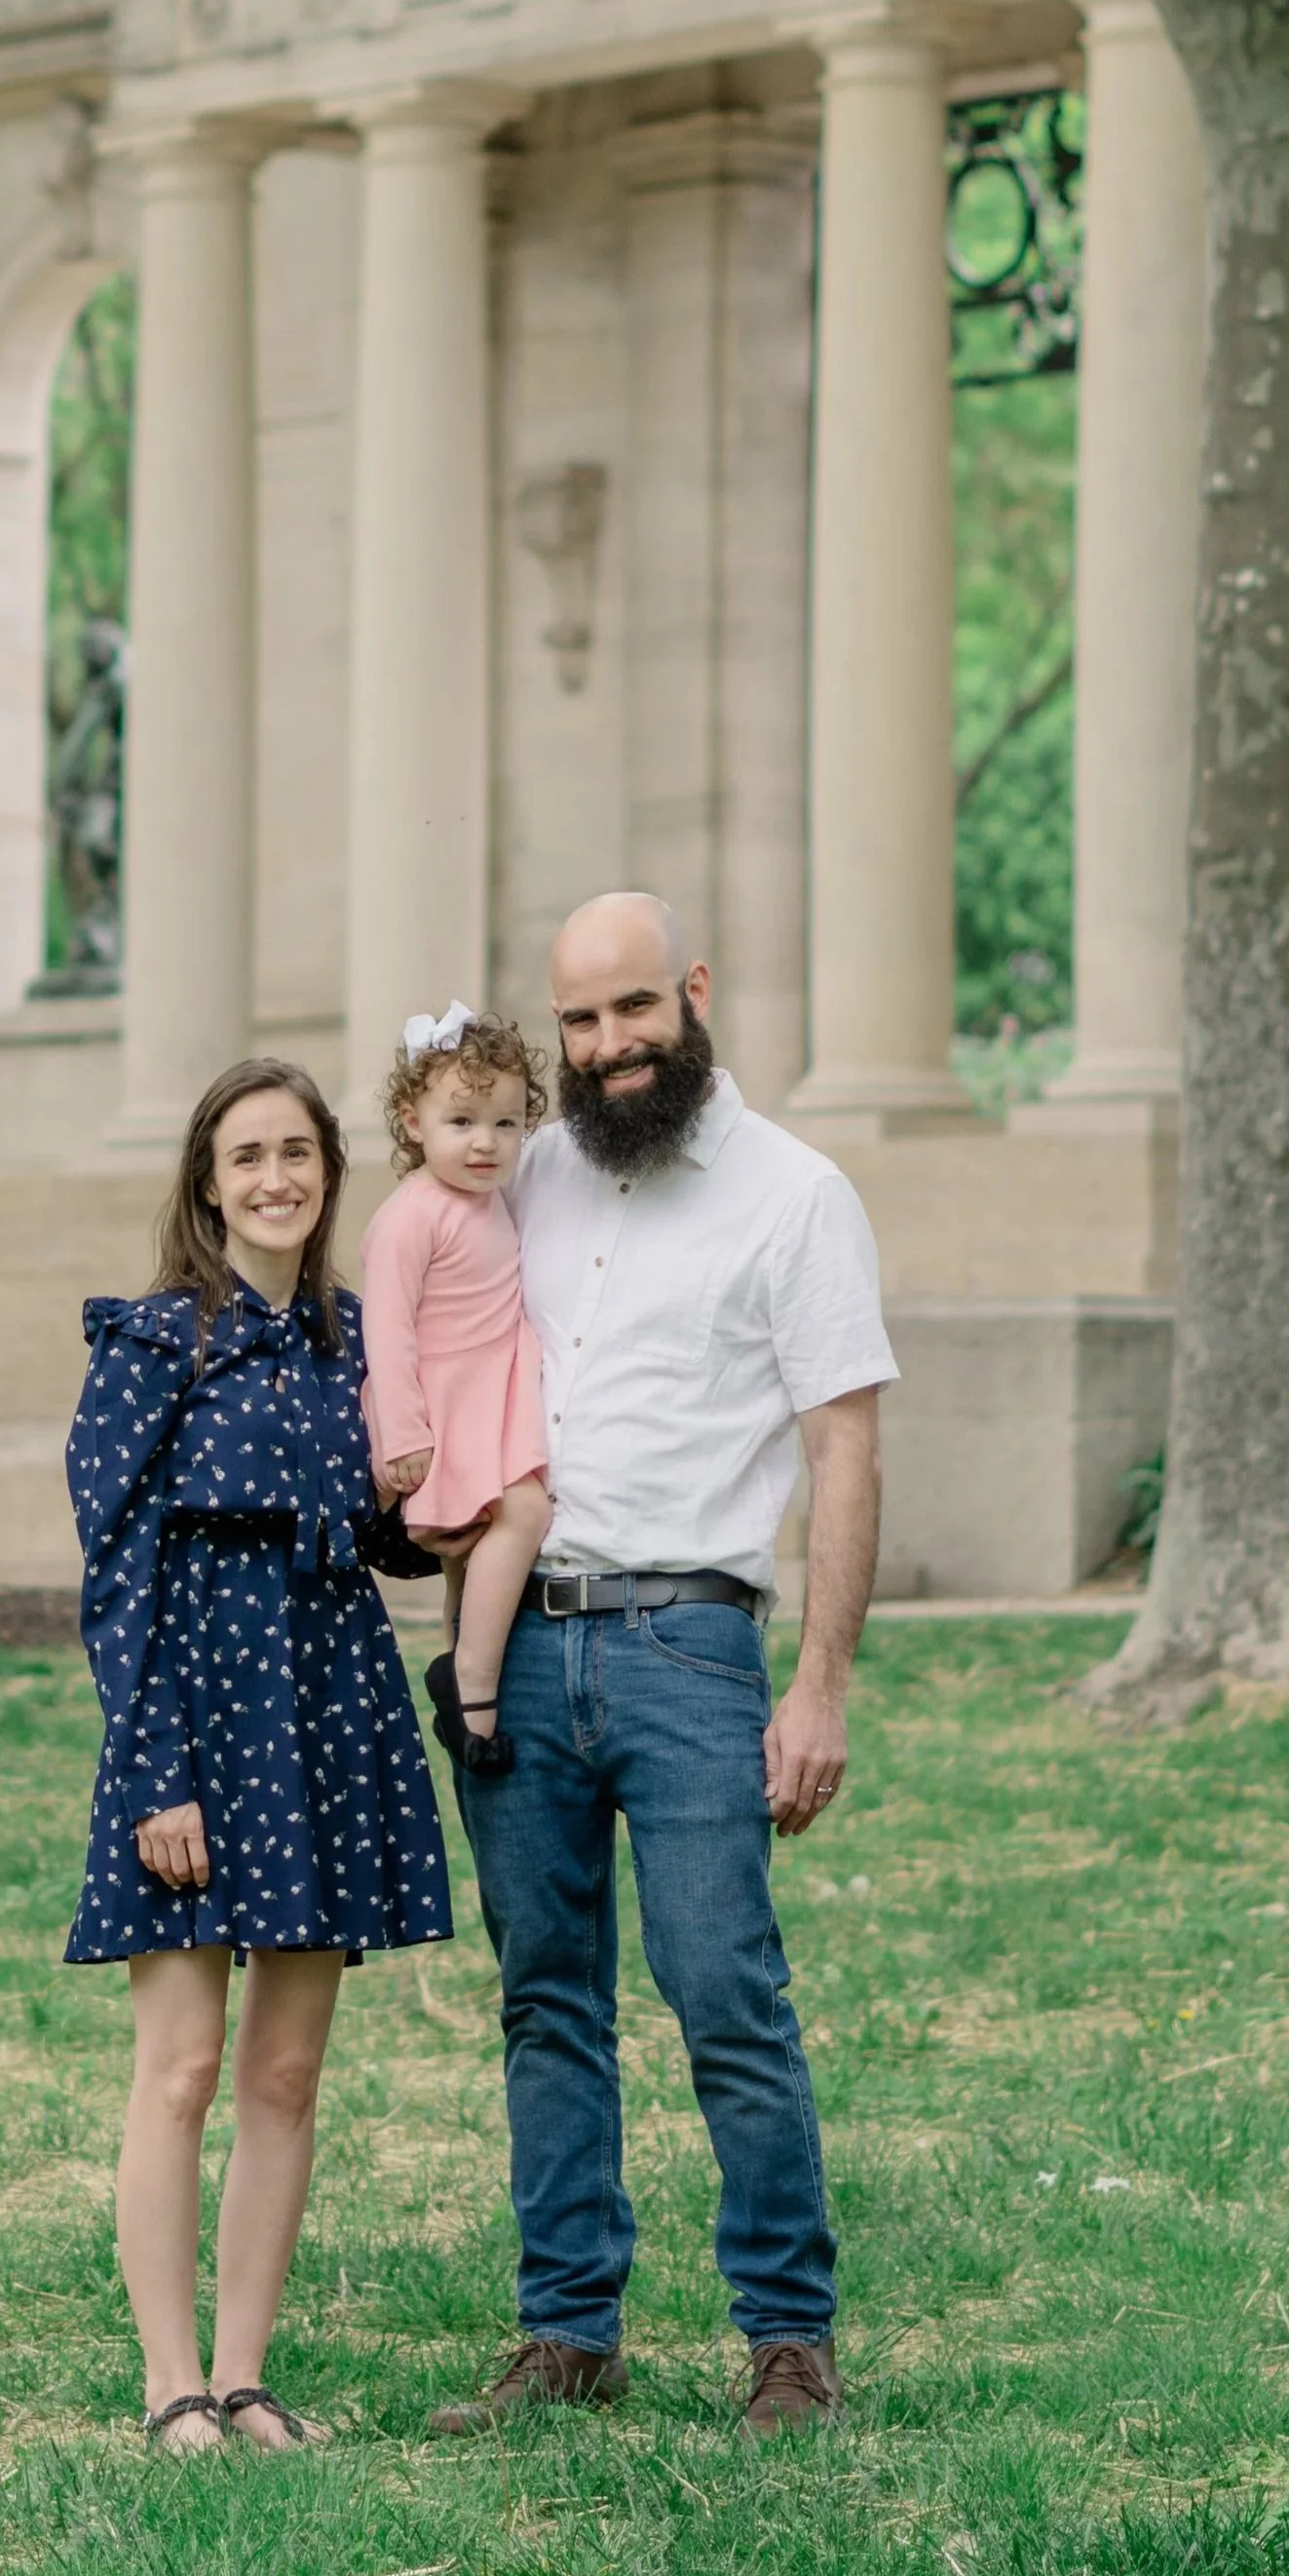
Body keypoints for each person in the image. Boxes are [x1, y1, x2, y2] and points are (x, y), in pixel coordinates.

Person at [430, 891, 897, 2445]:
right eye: (578, 1021)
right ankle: (571, 2329)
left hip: (693, 1647)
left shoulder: (796, 1194)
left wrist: (819, 1682)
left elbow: (845, 1446)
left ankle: (787, 2339)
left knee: (726, 1999)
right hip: (522, 1644)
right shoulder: (534, 1174)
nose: (609, 1047)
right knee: (543, 2001)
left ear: (693, 994)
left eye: (633, 1009)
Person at [65, 1057, 454, 2454]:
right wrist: (156, 1765)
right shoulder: (156, 1341)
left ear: (329, 1174)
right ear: (208, 1184)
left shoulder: (361, 1341)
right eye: (249, 1157)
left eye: (299, 1153)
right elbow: (116, 1569)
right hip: (196, 1719)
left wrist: (426, 1507)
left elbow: (379, 1534)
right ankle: (170, 2382)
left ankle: (244, 2372)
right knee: (180, 2066)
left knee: (285, 2074)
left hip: (328, 1710)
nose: (277, 1178)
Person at [360, 1002, 552, 1769]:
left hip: (491, 1386)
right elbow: (388, 1327)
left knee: (472, 1558)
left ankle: (461, 1686)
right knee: (524, 1510)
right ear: (413, 1121)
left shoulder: (492, 1201)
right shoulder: (413, 1213)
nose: (486, 1142)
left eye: (506, 1124)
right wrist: (403, 1433)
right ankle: (474, 1682)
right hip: (443, 1401)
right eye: (463, 1120)